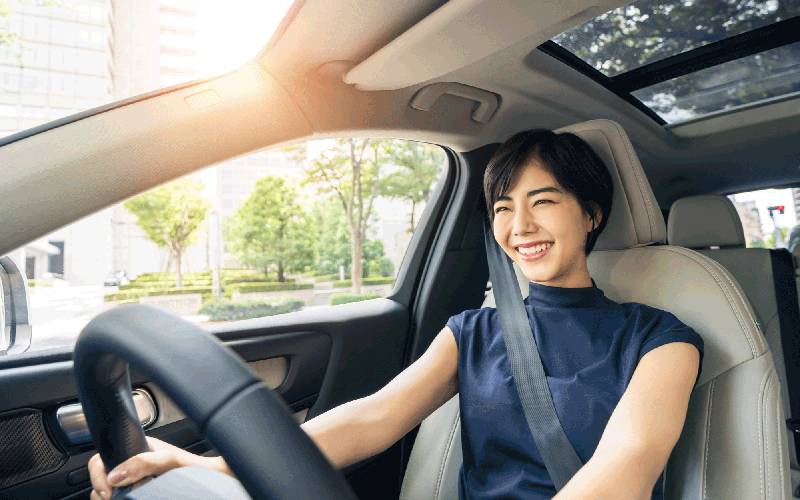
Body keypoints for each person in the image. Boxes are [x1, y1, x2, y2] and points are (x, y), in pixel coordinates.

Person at [89, 129, 704, 500]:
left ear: (591, 214)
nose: (520, 227)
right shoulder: (475, 331)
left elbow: (628, 468)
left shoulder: (660, 338)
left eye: (544, 202)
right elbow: (374, 418)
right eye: (503, 208)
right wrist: (212, 465)